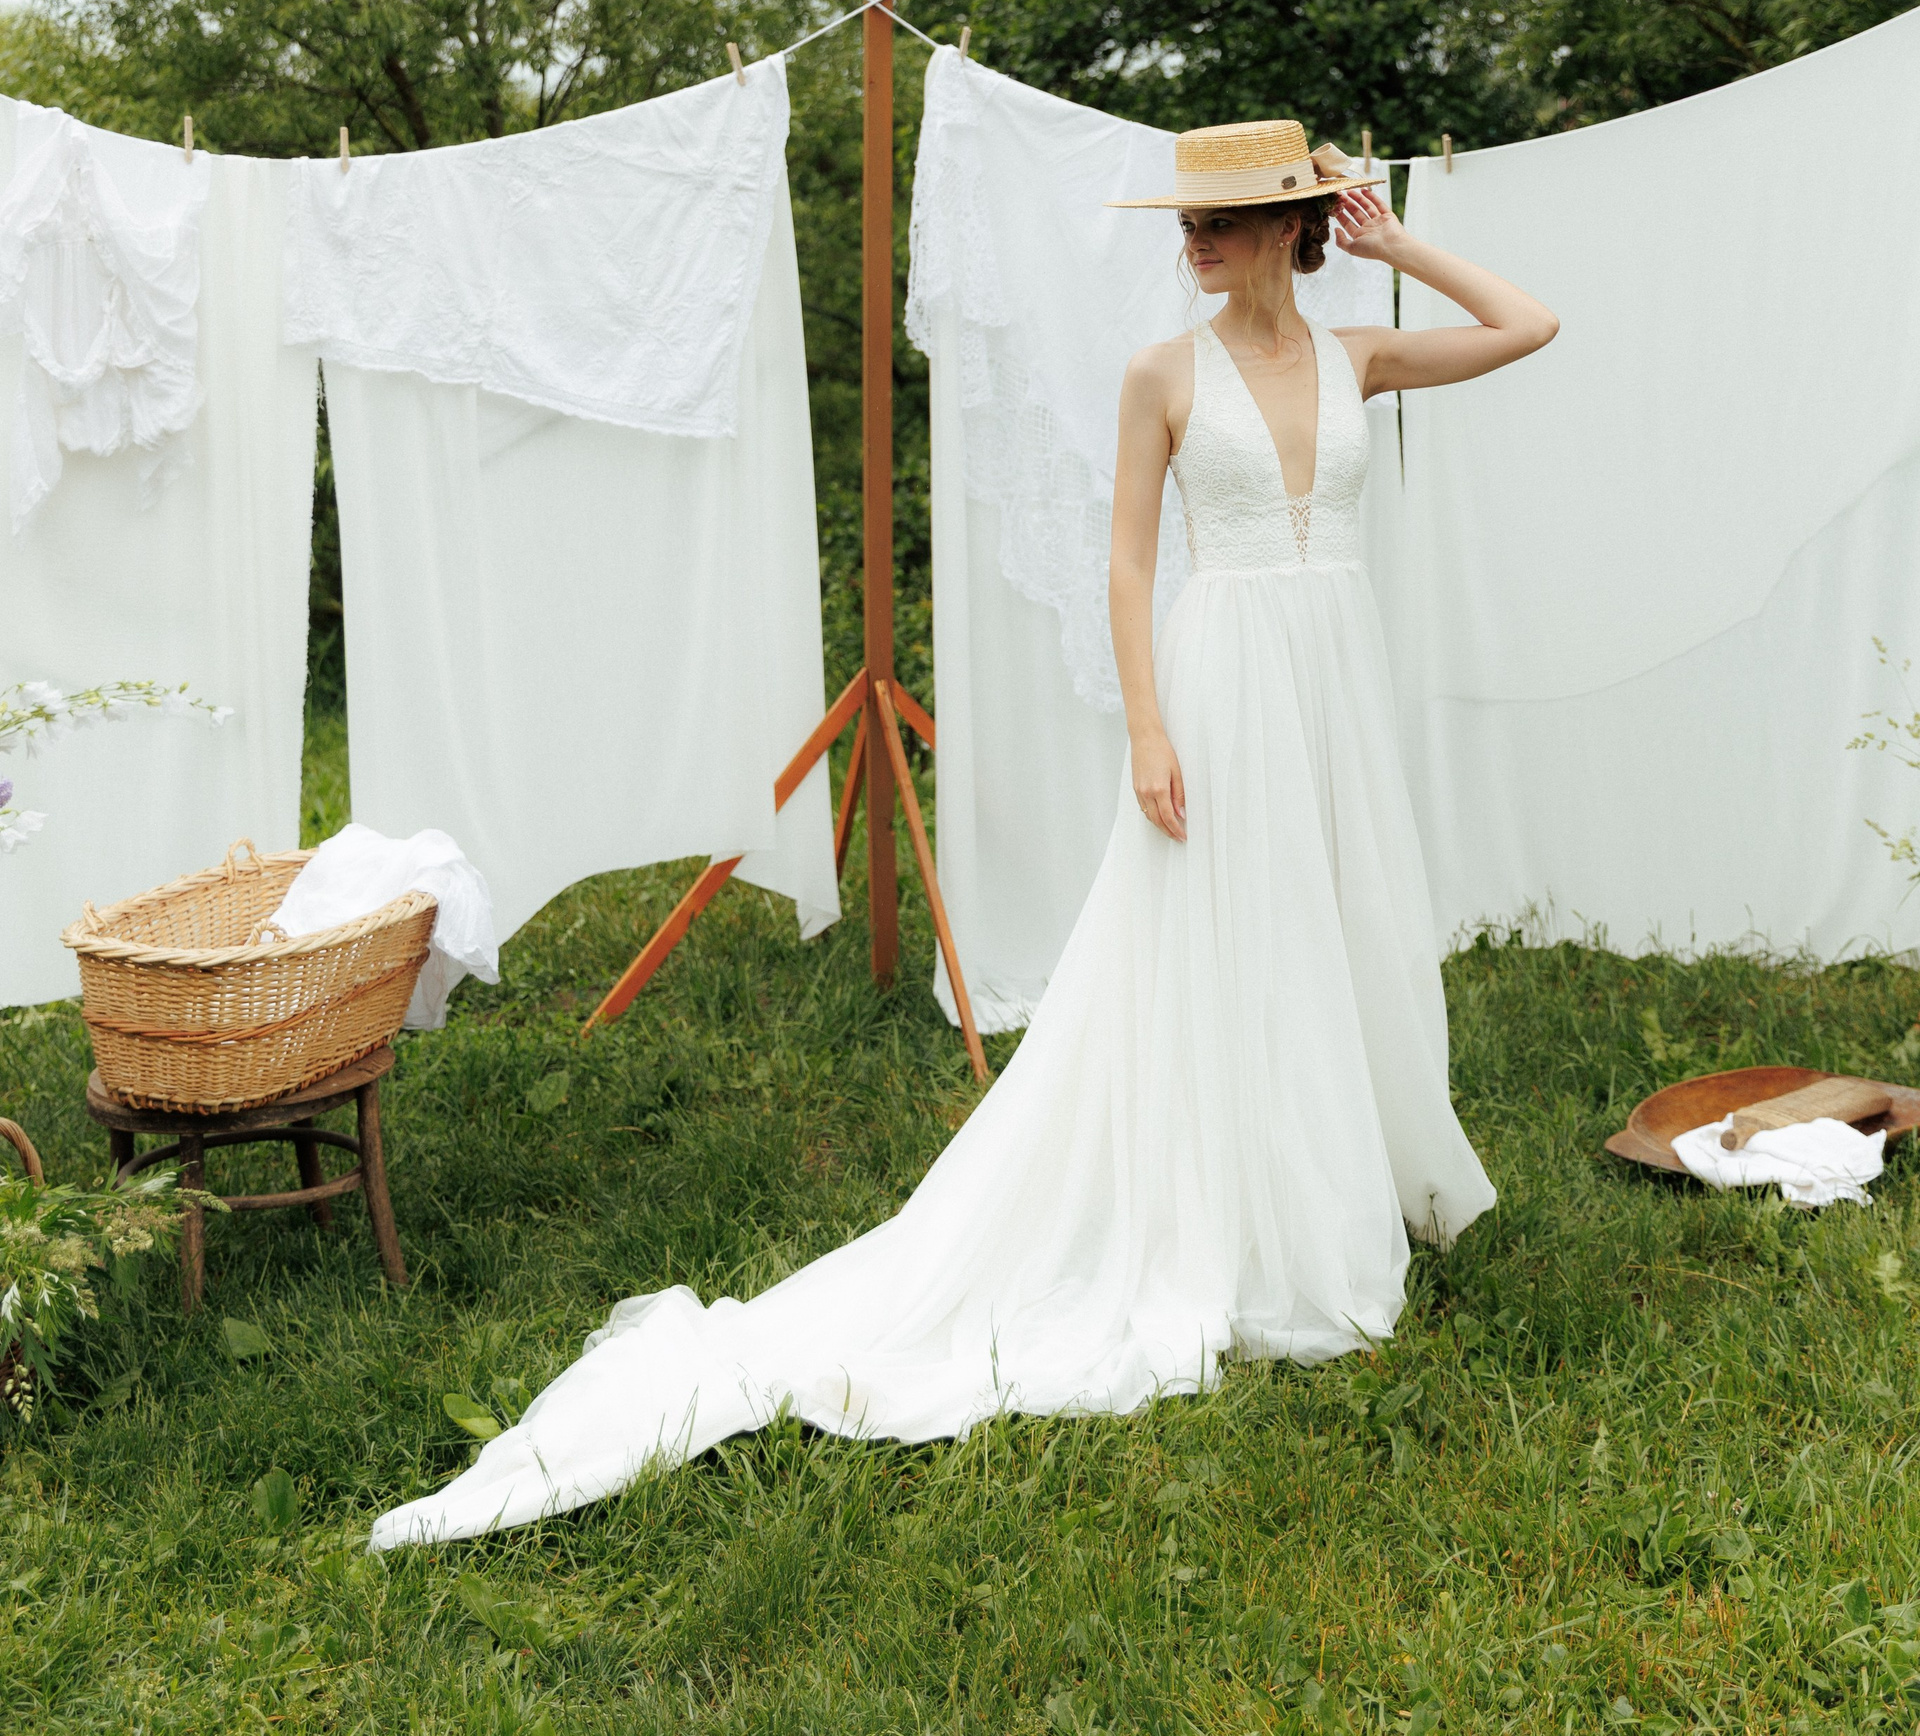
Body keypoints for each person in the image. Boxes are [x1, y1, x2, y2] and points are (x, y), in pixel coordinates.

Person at [369, 116, 1555, 1550]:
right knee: (1228, 931)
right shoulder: (1164, 373)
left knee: (1340, 915)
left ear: (1291, 227)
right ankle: (1235, 1209)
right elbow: (1128, 561)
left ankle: (1337, 1178)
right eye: (1188, 220)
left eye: (1223, 219)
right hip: (1225, 682)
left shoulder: (1360, 355)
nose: (1194, 241)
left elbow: (1529, 325)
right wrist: (1149, 729)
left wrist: (1401, 243)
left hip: (1335, 682)